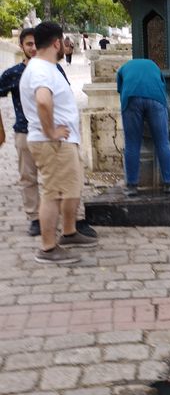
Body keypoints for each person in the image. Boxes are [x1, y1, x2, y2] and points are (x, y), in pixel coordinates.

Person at [0, 28, 95, 238]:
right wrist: (50, 131)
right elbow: (43, 100)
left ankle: (69, 226)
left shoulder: (51, 68)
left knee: (63, 186)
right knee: (38, 183)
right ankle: (40, 226)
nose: (33, 48)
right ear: (21, 46)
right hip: (33, 133)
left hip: (51, 135)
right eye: (29, 44)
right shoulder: (21, 72)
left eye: (35, 43)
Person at [20, 21, 98, 264]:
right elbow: (43, 101)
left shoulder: (46, 67)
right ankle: (47, 247)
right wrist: (51, 132)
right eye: (63, 41)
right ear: (56, 43)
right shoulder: (41, 70)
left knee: (70, 188)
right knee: (53, 193)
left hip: (62, 142)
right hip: (52, 143)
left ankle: (69, 231)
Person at [116, 59, 170, 196]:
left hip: (131, 97)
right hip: (156, 98)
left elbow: (121, 90)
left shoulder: (123, 68)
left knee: (132, 143)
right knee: (162, 141)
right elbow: (162, 84)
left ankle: (132, 186)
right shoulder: (154, 65)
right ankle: (169, 183)